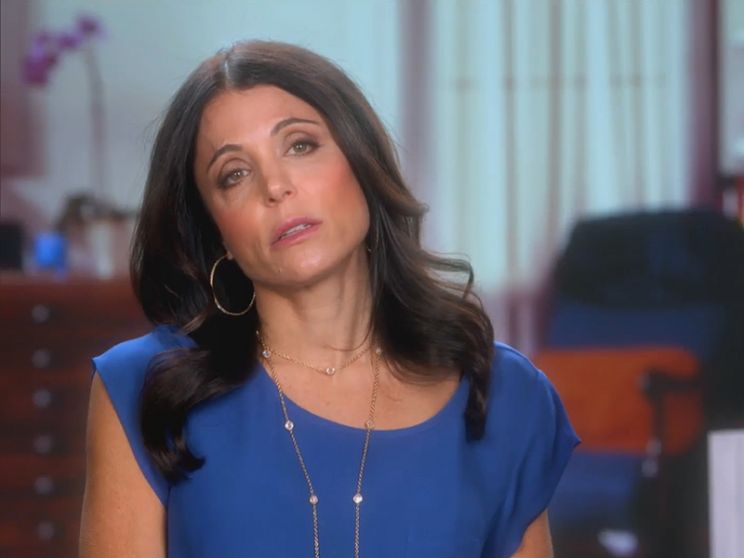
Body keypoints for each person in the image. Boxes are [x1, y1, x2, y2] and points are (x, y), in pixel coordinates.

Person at [79, 40, 579, 558]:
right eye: (235, 174)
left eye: (299, 145)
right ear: (217, 230)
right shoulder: (146, 391)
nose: (275, 187)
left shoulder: (504, 396)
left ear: (363, 163)